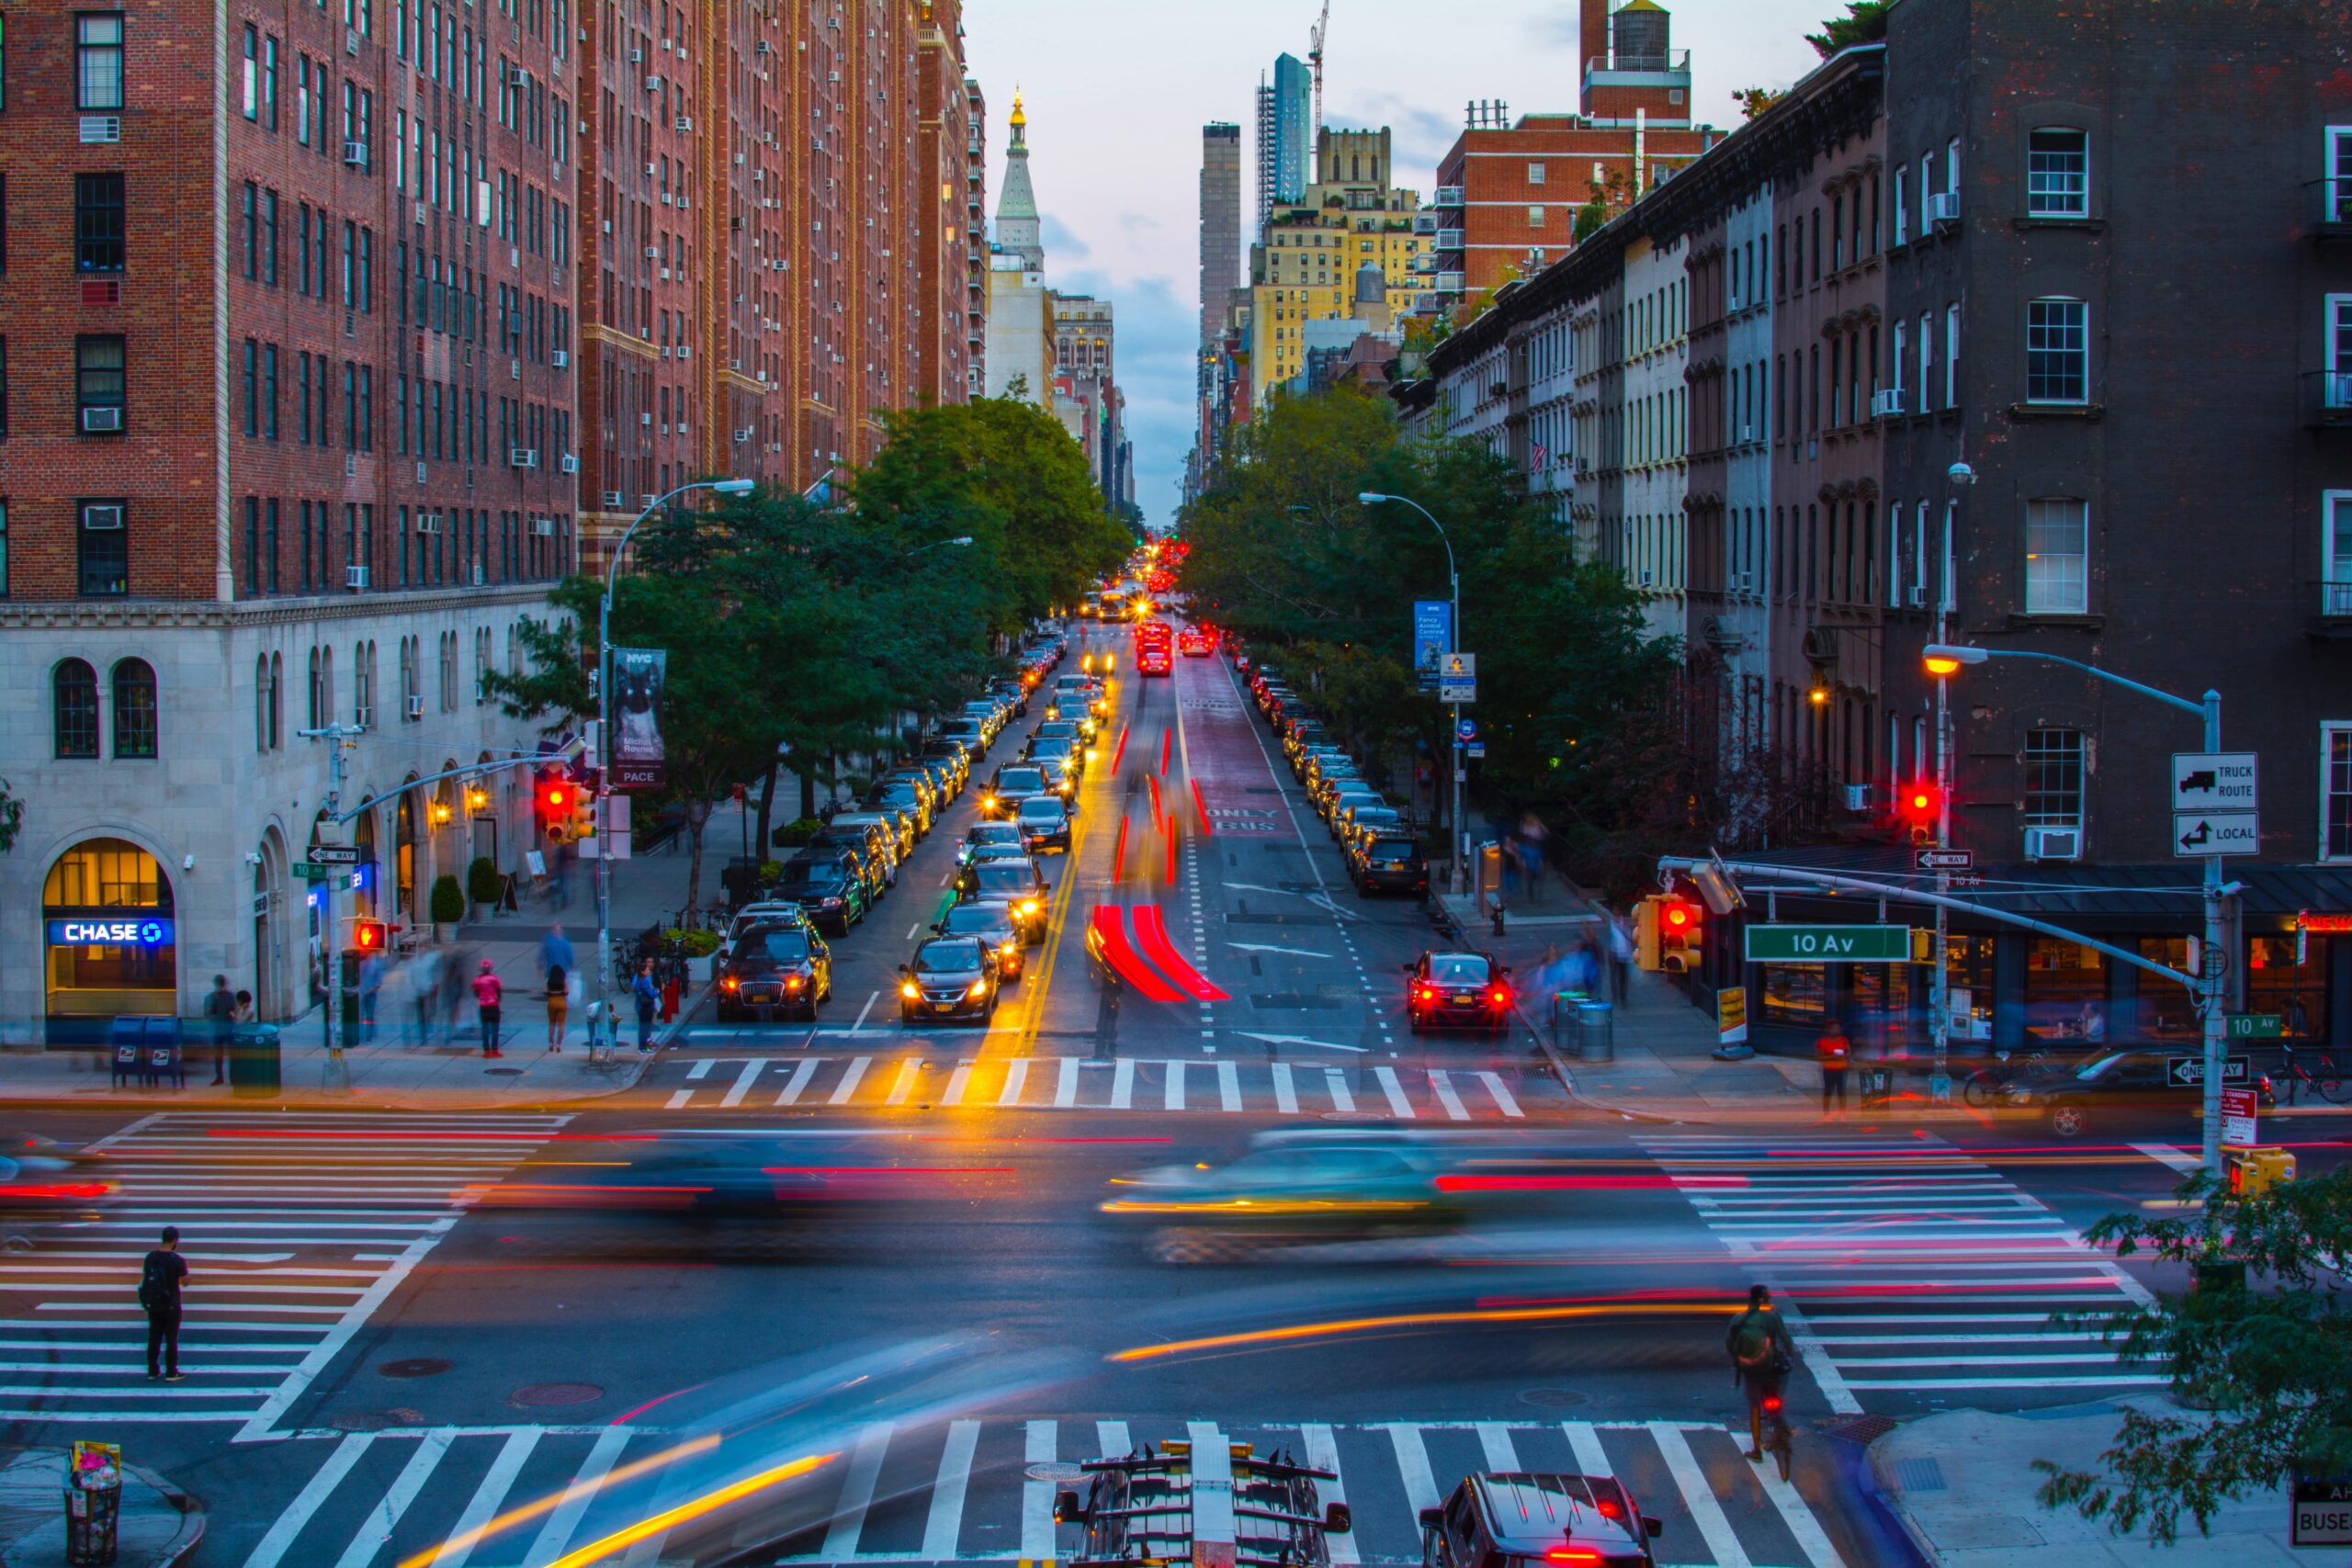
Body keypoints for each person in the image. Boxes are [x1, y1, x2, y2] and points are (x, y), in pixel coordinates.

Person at [1726, 1284, 1795, 1461]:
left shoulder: (1739, 1319)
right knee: (1776, 1395)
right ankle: (1780, 1425)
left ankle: (1756, 1450)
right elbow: (1785, 1339)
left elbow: (1730, 1343)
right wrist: (1789, 1355)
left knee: (1755, 1408)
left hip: (1752, 1370)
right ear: (1764, 1299)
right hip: (1770, 1366)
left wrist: (1737, 1361)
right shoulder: (1772, 1317)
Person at [140, 1226, 189, 1382]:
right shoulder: (177, 1260)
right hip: (171, 1303)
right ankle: (171, 1371)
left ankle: (153, 1370)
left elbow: (147, 1277)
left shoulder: (151, 1257)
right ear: (175, 1240)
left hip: (154, 1303)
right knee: (171, 1338)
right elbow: (185, 1282)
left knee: (154, 1336)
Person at [201, 974, 235, 1086]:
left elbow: (233, 1011)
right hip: (221, 1030)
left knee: (226, 1055)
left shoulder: (229, 996)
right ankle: (222, 1077)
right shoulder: (212, 997)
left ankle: (227, 1077)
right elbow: (208, 1013)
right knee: (220, 1055)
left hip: (226, 1029)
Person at [1817, 1016, 1852, 1118]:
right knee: (1828, 1091)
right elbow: (1820, 1057)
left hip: (1842, 1069)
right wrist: (1832, 1056)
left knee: (1841, 1091)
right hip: (1828, 1069)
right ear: (1828, 1030)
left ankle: (1842, 1113)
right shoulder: (1823, 1042)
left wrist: (1844, 1056)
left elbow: (1849, 1052)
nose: (1836, 1031)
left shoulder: (1843, 1040)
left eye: (1838, 1028)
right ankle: (1826, 1113)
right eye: (1833, 1028)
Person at [472, 959, 504, 1057]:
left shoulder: (477, 980)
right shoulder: (494, 979)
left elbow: (476, 992)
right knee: (495, 1029)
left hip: (483, 1006)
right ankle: (494, 1050)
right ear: (491, 968)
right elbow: (499, 991)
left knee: (485, 1029)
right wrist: (497, 1000)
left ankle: (486, 1050)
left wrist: (481, 998)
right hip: (493, 1005)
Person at [631, 959, 662, 1053]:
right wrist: (656, 991)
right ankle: (643, 1048)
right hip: (646, 1007)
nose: (649, 971)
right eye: (647, 970)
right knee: (645, 1028)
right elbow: (652, 994)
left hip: (641, 1006)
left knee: (643, 1027)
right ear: (643, 972)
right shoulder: (644, 981)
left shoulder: (639, 981)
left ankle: (644, 1047)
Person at [1607, 915, 1634, 1005]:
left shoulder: (1625, 924)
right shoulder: (1611, 924)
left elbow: (1630, 937)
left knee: (1623, 978)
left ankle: (1623, 997)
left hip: (1624, 955)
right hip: (1614, 955)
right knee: (1614, 976)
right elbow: (1611, 939)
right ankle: (1615, 995)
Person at [545, 958, 569, 1050]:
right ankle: (559, 1044)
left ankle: (551, 1043)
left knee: (552, 1023)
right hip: (562, 1002)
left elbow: (545, 991)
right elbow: (567, 991)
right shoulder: (564, 981)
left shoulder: (548, 980)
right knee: (561, 1024)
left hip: (551, 1001)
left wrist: (551, 993)